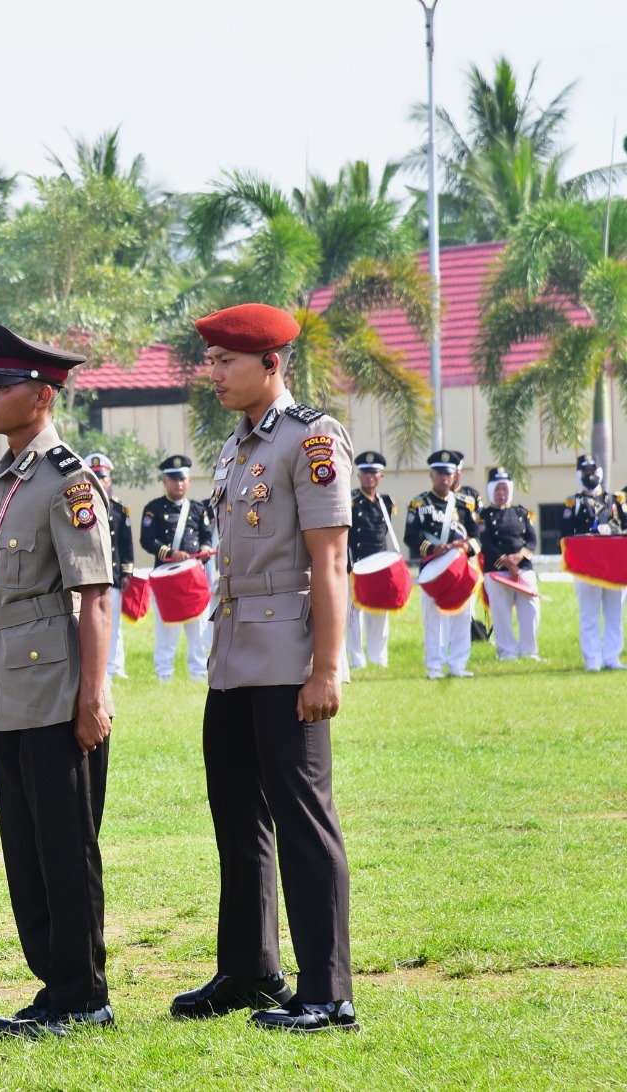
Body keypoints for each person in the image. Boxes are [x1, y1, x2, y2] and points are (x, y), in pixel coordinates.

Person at [169, 302, 358, 1033]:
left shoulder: (310, 439)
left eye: (224, 361)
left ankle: (328, 991)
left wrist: (327, 668)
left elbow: (331, 559)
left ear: (270, 364)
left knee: (304, 821)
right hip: (234, 656)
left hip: (287, 658)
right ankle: (250, 969)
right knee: (237, 817)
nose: (210, 372)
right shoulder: (239, 445)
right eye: (210, 360)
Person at [0, 323, 116, 1039]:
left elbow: (95, 596)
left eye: (0, 386)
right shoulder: (10, 477)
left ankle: (85, 997)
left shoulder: (67, 480)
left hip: (58, 688)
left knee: (64, 845)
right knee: (25, 848)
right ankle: (55, 987)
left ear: (43, 393)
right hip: (13, 686)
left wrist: (94, 696)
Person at [404, 450, 481, 679]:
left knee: (462, 615)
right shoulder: (419, 503)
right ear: (431, 475)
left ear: (455, 475)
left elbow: (478, 538)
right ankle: (434, 667)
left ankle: (458, 664)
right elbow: (410, 537)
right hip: (433, 569)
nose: (444, 478)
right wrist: (431, 548)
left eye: (448, 474)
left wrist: (466, 548)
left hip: (460, 570)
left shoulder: (466, 504)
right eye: (439, 473)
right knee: (434, 619)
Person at [139, 455, 215, 682]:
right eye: (173, 479)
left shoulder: (198, 509)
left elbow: (207, 537)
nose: (178, 484)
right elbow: (147, 540)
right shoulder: (153, 509)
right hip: (167, 579)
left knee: (198, 629)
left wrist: (204, 549)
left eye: (182, 479)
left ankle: (199, 675)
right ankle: (164, 676)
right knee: (166, 630)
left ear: (189, 481)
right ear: (165, 481)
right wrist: (170, 554)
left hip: (192, 578)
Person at [559, 455, 627, 671]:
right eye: (586, 471)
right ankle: (592, 660)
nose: (591, 475)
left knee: (614, 613)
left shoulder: (615, 500)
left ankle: (612, 657)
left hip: (613, 567)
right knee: (589, 614)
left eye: (594, 470)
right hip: (587, 568)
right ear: (580, 474)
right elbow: (566, 534)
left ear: (600, 472)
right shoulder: (574, 502)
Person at [478, 467, 540, 662]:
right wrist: (506, 563)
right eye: (497, 490)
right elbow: (484, 542)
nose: (501, 494)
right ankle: (507, 653)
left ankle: (529, 651)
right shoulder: (483, 516)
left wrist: (518, 558)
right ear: (490, 491)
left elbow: (531, 539)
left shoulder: (522, 513)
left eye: (504, 489)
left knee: (531, 610)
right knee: (501, 613)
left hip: (523, 570)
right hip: (497, 573)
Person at [346, 451, 397, 669]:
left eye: (374, 472)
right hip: (356, 565)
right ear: (358, 475)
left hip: (380, 566)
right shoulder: (351, 501)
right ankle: (357, 661)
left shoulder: (386, 502)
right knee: (353, 615)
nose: (369, 477)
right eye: (365, 473)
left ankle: (378, 658)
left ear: (381, 476)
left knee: (379, 613)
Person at [87, 453, 133, 679]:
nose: (100, 481)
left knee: (113, 625)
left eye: (103, 477)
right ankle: (100, 669)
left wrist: (127, 572)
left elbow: (126, 544)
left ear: (110, 479)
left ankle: (115, 667)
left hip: (112, 576)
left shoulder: (119, 510)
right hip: (88, 576)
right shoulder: (80, 508)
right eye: (95, 477)